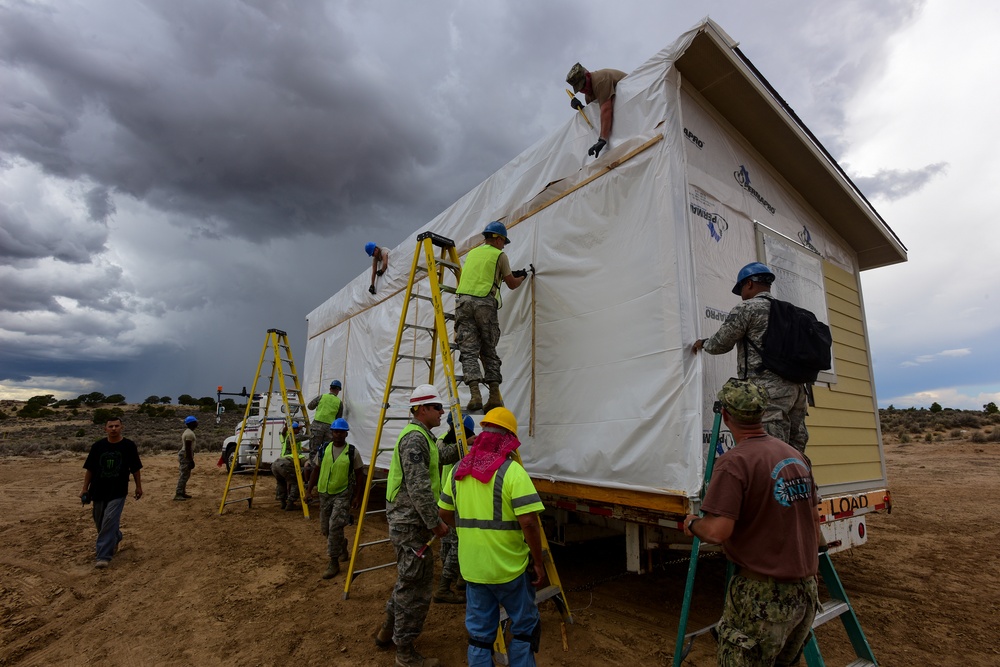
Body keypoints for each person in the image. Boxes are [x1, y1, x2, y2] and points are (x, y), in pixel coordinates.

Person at [683, 378, 822, 666]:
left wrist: (692, 524)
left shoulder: (735, 462)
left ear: (725, 415)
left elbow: (718, 531)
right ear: (762, 413)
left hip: (763, 597)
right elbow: (813, 520)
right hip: (805, 594)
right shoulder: (794, 455)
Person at [438, 407, 546, 667]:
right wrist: (539, 562)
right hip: (508, 568)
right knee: (523, 628)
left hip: (474, 568)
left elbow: (444, 512)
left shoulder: (458, 471)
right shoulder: (512, 472)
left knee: (479, 637)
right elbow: (529, 522)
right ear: (508, 439)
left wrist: (467, 529)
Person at [373, 384, 461, 667]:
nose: (441, 412)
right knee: (416, 589)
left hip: (409, 523)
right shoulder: (415, 439)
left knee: (406, 580)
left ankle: (387, 632)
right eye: (437, 407)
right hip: (411, 525)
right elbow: (419, 487)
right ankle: (406, 653)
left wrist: (466, 445)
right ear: (422, 409)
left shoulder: (424, 437)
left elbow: (442, 457)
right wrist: (436, 524)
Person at [691, 262, 810, 453]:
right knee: (795, 448)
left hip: (768, 390)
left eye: (741, 290)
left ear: (749, 284)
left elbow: (720, 344)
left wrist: (702, 343)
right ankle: (799, 481)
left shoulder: (748, 308)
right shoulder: (791, 311)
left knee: (771, 450)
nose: (742, 295)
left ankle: (774, 483)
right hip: (798, 390)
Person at [455, 221, 531, 414]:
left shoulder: (472, 253)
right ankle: (494, 396)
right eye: (503, 242)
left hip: (463, 304)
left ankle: (475, 396)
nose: (504, 246)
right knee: (488, 349)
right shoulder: (500, 255)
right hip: (484, 304)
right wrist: (522, 277)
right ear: (497, 239)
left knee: (469, 351)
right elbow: (512, 284)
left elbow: (481, 275)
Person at [81, 417, 143, 569]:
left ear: (122, 427)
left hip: (118, 490)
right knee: (100, 522)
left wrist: (138, 487)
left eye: (116, 426)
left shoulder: (128, 446)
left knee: (109, 520)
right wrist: (84, 489)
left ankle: (103, 556)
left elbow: (135, 469)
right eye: (111, 426)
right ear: (105, 429)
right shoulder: (98, 446)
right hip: (98, 490)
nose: (114, 428)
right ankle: (116, 537)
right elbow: (90, 469)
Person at [306, 418, 365, 579]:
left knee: (334, 527)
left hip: (342, 494)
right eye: (335, 431)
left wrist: (357, 497)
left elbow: (360, 476)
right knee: (326, 529)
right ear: (332, 432)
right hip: (324, 494)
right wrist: (309, 490)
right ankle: (342, 545)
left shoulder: (352, 452)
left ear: (346, 433)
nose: (338, 434)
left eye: (341, 432)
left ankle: (333, 562)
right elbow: (316, 470)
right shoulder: (324, 449)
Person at [433, 412, 476, 605]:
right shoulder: (444, 441)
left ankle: (459, 578)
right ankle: (444, 586)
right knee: (456, 541)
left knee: (449, 542)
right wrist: (466, 444)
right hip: (449, 497)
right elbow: (444, 457)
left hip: (451, 496)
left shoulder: (454, 440)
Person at [566, 62, 627, 159]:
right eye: (580, 89)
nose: (584, 90)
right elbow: (595, 116)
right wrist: (582, 109)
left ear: (588, 75)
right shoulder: (588, 96)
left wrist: (602, 139)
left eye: (584, 85)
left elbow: (606, 109)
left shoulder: (600, 80)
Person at [272, 421, 308, 511]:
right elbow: (304, 437)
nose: (299, 430)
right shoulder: (291, 436)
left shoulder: (290, 438)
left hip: (277, 464)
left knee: (281, 482)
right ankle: (290, 503)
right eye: (297, 429)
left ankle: (282, 502)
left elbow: (299, 447)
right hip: (286, 463)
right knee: (296, 482)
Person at [307, 380, 344, 453]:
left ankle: (313, 464)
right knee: (327, 450)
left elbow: (310, 406)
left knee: (314, 450)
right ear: (338, 390)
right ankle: (324, 464)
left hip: (317, 426)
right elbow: (338, 419)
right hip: (329, 429)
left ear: (330, 388)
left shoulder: (321, 397)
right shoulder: (339, 402)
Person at [174, 415, 197, 501]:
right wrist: (191, 460)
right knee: (184, 475)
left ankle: (182, 492)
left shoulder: (188, 432)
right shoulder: (189, 434)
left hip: (186, 454)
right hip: (186, 455)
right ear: (192, 423)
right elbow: (188, 448)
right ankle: (178, 493)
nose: (197, 423)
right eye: (195, 422)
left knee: (185, 475)